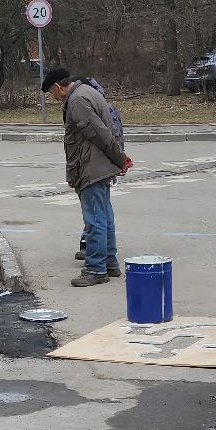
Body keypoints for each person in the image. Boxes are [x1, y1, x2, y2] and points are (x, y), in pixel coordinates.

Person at [45, 67, 131, 287]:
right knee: (105, 217)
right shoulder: (89, 93)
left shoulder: (77, 101)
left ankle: (95, 269)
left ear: (58, 87)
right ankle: (110, 263)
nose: (53, 98)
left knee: (94, 220)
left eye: (51, 93)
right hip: (98, 166)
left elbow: (100, 134)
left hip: (91, 168)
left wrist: (120, 159)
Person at [74, 76, 127, 264]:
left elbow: (108, 137)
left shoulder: (83, 104)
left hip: (95, 168)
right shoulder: (104, 105)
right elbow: (116, 136)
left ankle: (96, 263)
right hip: (104, 166)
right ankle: (108, 258)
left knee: (96, 215)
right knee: (103, 212)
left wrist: (119, 161)